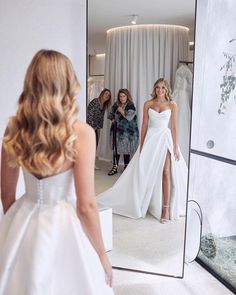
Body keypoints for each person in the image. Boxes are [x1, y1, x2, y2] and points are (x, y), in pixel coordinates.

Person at [0, 50, 114, 294]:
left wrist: (14, 230)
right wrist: (102, 255)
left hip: (24, 217)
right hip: (64, 225)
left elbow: (7, 196)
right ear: (68, 83)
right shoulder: (82, 133)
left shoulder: (14, 129)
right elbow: (86, 206)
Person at [97, 78, 187, 223]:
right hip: (151, 139)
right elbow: (144, 125)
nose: (160, 90)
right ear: (154, 89)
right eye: (158, 87)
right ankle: (144, 200)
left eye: (163, 88)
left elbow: (175, 127)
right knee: (146, 171)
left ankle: (165, 208)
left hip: (165, 139)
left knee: (165, 172)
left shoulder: (172, 105)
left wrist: (175, 147)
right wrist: (142, 144)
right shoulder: (148, 104)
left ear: (167, 90)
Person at [107, 88, 139, 176]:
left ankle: (126, 166)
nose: (122, 98)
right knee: (116, 148)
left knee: (125, 149)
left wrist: (121, 111)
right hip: (116, 130)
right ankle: (115, 167)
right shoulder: (116, 104)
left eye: (124, 96)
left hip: (127, 132)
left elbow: (129, 117)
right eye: (120, 96)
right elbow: (110, 114)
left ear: (127, 96)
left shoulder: (131, 105)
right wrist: (113, 119)